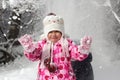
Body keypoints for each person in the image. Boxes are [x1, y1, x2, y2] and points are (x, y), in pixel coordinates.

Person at [18, 13, 92, 80]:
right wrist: (30, 49)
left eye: (57, 32)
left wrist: (83, 49)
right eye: (50, 32)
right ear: (46, 33)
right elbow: (34, 56)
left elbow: (76, 53)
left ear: (62, 33)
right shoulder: (42, 45)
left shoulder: (67, 44)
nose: (53, 34)